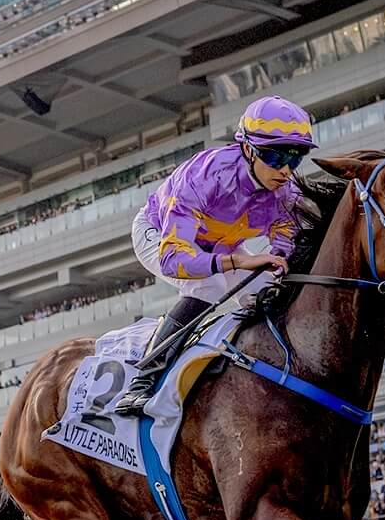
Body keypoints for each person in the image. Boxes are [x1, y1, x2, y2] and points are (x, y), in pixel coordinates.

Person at [115, 95, 312, 416]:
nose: (286, 170)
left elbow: (285, 242)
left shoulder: (286, 192)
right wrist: (238, 261)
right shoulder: (204, 176)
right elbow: (172, 260)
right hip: (161, 235)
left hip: (223, 241)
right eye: (275, 157)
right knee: (208, 287)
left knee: (271, 292)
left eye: (296, 158)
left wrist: (278, 264)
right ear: (248, 149)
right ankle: (143, 380)